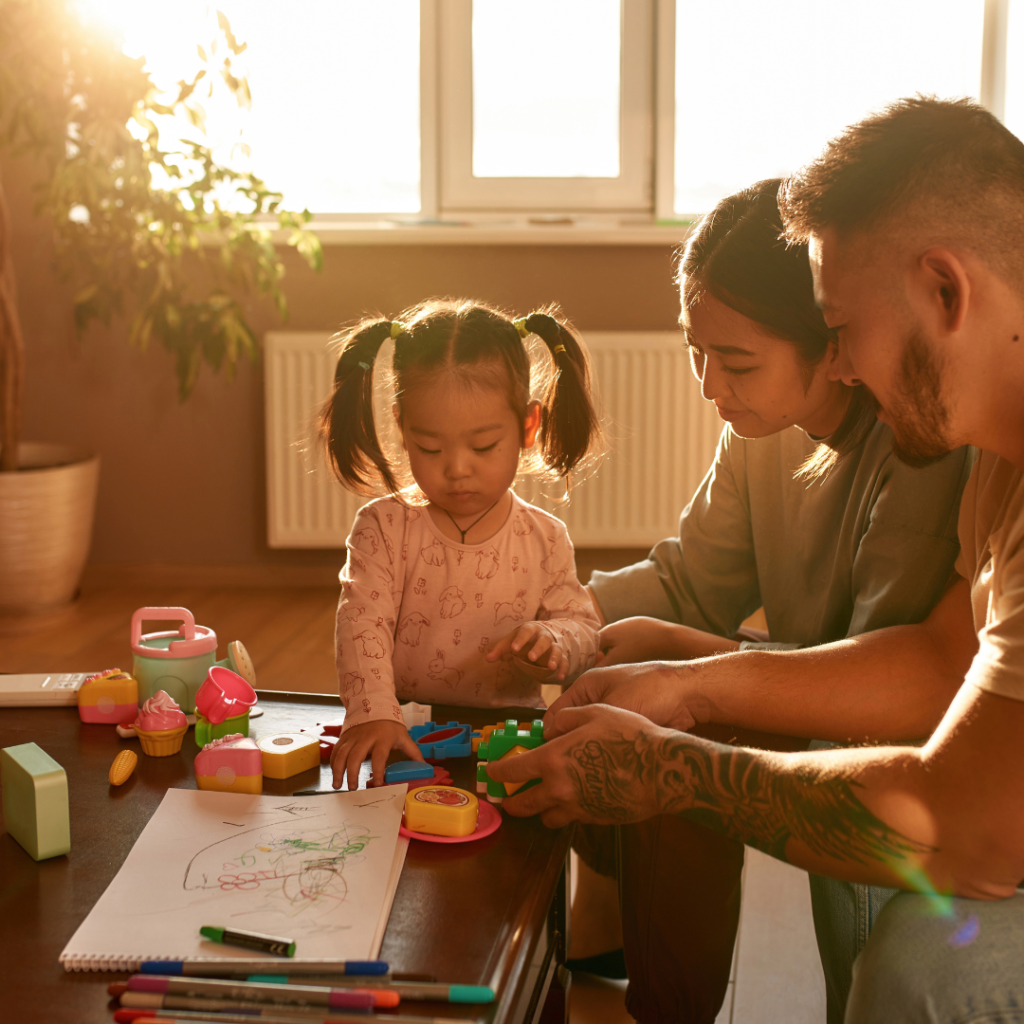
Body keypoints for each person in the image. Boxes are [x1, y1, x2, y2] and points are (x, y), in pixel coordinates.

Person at [488, 96, 1024, 1021]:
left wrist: (677, 748)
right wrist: (563, 624)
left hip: (981, 829)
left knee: (922, 967)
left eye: (844, 330)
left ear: (947, 291)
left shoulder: (936, 451)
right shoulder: (998, 465)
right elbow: (943, 659)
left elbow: (969, 832)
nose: (844, 367)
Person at [566, 179, 973, 1023]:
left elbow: (882, 681)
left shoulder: (920, 447)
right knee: (624, 668)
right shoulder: (756, 435)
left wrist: (690, 668)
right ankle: (619, 933)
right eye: (695, 351)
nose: (711, 385)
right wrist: (539, 609)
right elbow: (688, 581)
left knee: (666, 716)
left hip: (883, 722)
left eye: (738, 361)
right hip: (815, 691)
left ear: (832, 345)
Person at [318, 299, 602, 790]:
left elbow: (585, 630)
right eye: (431, 447)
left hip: (509, 743)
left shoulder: (545, 538)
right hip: (404, 735)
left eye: (483, 446)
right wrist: (372, 714)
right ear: (403, 428)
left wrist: (556, 642)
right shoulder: (383, 527)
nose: (456, 468)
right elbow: (361, 622)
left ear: (528, 427)